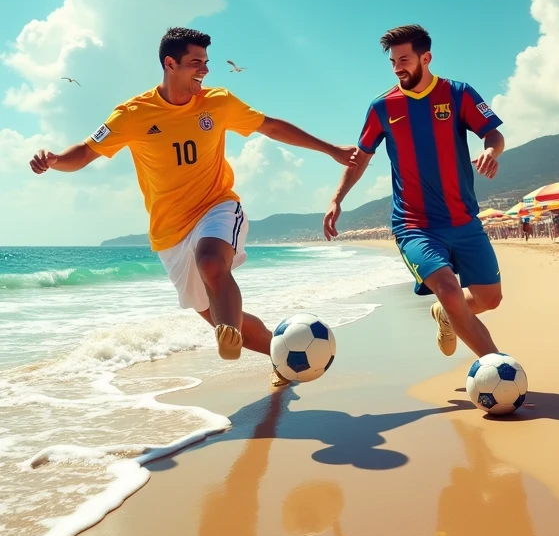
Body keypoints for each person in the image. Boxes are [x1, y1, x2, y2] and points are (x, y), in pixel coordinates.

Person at [29, 27, 356, 385]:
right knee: (220, 317)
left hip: (217, 206)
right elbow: (87, 151)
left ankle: (227, 330)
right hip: (169, 232)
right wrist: (55, 160)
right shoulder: (132, 114)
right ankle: (280, 360)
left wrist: (331, 149)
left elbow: (271, 127)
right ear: (170, 64)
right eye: (195, 62)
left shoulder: (218, 102)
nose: (204, 69)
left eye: (206, 62)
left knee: (213, 263)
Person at [323, 24, 505, 360]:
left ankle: (444, 316)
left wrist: (492, 152)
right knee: (449, 291)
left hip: (464, 221)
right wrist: (337, 198)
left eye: (404, 59)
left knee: (489, 299)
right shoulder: (382, 107)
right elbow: (361, 157)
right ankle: (499, 367)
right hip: (414, 226)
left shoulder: (458, 93)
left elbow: (493, 135)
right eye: (393, 61)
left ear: (427, 57)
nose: (397, 67)